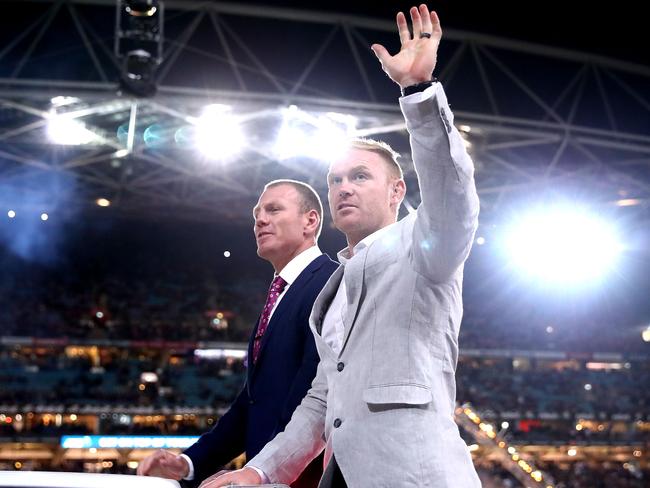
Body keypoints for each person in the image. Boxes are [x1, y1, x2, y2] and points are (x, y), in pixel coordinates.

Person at [200, 4, 481, 487]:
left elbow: (452, 192)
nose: (343, 187)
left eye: (360, 177)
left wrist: (417, 93)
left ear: (397, 192)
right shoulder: (334, 286)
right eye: (335, 180)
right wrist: (260, 472)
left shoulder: (426, 247)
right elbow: (321, 400)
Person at [137, 180, 338, 487]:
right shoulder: (281, 292)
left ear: (310, 221)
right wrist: (189, 463)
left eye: (273, 209)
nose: (259, 219)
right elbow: (251, 404)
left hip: (298, 478)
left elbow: (314, 398)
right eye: (257, 212)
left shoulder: (330, 283)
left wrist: (259, 472)